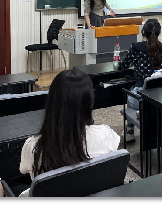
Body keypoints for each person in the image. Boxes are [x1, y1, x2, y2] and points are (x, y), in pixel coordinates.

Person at [19, 68, 120, 196]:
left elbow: (23, 170)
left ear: (52, 101)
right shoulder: (106, 134)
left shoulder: (34, 146)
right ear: (90, 102)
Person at [118, 18, 162, 142]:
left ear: (143, 33)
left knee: (131, 90)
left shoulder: (136, 47)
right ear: (159, 33)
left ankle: (129, 131)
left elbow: (122, 66)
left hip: (141, 99)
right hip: (161, 97)